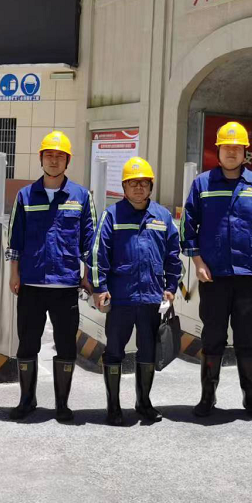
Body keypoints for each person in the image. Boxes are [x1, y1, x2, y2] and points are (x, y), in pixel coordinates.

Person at [181, 121, 252, 422]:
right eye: (227, 147)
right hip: (214, 276)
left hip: (250, 276)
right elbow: (188, 226)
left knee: (248, 339)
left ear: (245, 152)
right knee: (212, 337)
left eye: (237, 148)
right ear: (218, 150)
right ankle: (207, 397)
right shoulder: (202, 184)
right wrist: (198, 262)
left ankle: (251, 399)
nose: (231, 152)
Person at [6, 130, 96, 422]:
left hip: (65, 284)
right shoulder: (25, 195)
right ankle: (26, 400)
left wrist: (88, 275)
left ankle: (62, 403)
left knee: (66, 344)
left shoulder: (81, 197)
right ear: (41, 159)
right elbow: (15, 238)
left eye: (59, 156)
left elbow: (90, 241)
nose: (54, 160)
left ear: (67, 161)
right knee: (27, 343)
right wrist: (14, 273)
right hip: (31, 283)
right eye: (49, 155)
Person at [90, 157, 181, 425]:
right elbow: (98, 254)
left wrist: (171, 287)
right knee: (114, 351)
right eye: (133, 183)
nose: (138, 187)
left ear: (151, 186)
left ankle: (144, 403)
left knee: (148, 351)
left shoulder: (162, 217)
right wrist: (100, 287)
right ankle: (113, 406)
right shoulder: (112, 215)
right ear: (124, 187)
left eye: (143, 183)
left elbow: (173, 256)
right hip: (121, 297)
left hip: (152, 298)